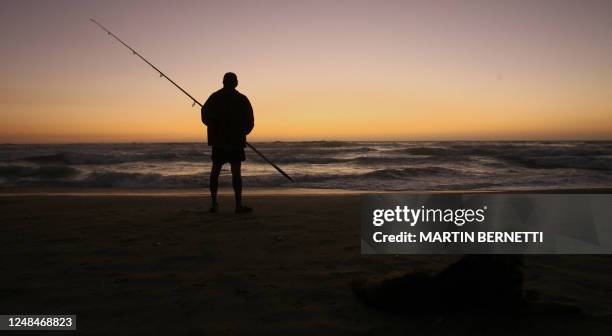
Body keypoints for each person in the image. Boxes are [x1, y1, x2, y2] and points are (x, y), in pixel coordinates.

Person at [201, 72, 254, 213]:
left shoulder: (215, 97)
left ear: (223, 82)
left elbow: (204, 114)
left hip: (219, 142)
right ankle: (238, 205)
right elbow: (250, 121)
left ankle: (214, 204)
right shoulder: (242, 99)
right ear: (236, 83)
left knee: (215, 172)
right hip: (235, 142)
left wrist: (213, 125)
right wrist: (243, 132)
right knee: (236, 172)